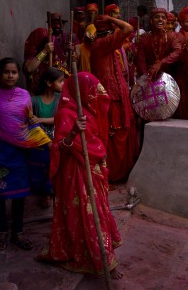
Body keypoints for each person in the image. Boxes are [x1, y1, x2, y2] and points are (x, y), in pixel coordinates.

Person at [34, 72, 123, 279]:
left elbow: (97, 140)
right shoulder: (66, 113)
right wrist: (73, 133)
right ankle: (100, 260)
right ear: (81, 91)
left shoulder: (88, 112)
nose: (95, 96)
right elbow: (59, 148)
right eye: (91, 92)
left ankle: (102, 256)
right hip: (75, 173)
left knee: (98, 212)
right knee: (86, 214)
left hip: (93, 169)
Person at [0, 58, 51, 250]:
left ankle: (18, 233)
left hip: (18, 152)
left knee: (19, 194)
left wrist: (46, 142)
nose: (11, 75)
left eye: (14, 72)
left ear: (18, 74)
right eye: (6, 72)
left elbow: (30, 120)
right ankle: (2, 231)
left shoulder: (24, 95)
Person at [90, 14, 139, 184]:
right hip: (109, 100)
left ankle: (118, 173)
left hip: (116, 97)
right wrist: (112, 19)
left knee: (120, 134)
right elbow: (128, 28)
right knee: (112, 135)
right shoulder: (102, 44)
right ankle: (111, 175)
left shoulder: (107, 46)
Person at [27, 67, 64, 209]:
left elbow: (60, 119)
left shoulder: (60, 99)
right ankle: (44, 193)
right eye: (60, 81)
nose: (63, 84)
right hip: (39, 141)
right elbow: (30, 121)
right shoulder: (34, 101)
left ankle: (51, 192)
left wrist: (41, 119)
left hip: (57, 139)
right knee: (42, 164)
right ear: (49, 83)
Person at [24, 13, 78, 94]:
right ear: (49, 25)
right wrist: (44, 51)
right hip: (41, 90)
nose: (57, 26)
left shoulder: (67, 39)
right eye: (54, 23)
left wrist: (71, 55)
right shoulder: (40, 40)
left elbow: (73, 67)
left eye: (59, 23)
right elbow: (29, 69)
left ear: (63, 25)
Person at [136, 8, 182, 78]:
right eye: (157, 17)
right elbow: (141, 61)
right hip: (149, 78)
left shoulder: (171, 36)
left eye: (163, 18)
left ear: (166, 20)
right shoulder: (145, 38)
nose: (160, 19)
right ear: (151, 21)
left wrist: (161, 63)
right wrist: (146, 77)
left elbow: (178, 51)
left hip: (169, 78)